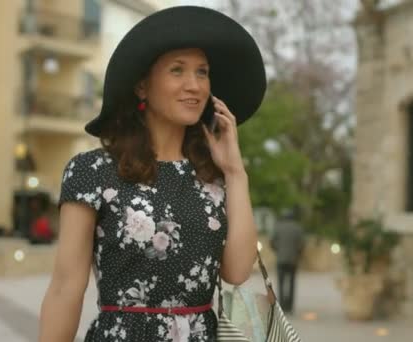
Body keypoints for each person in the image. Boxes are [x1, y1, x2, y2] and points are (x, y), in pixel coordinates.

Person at [37, 6, 266, 342]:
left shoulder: (214, 177)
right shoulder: (92, 172)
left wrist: (236, 173)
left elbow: (237, 271)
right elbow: (65, 287)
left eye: (202, 73)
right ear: (142, 87)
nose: (194, 85)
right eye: (178, 70)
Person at [270, 207, 305, 314]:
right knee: (291, 283)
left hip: (281, 259)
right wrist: (297, 253)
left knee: (280, 283)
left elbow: (271, 242)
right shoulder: (297, 228)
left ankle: (282, 305)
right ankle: (289, 306)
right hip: (293, 260)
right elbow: (302, 244)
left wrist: (278, 250)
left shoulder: (278, 227)